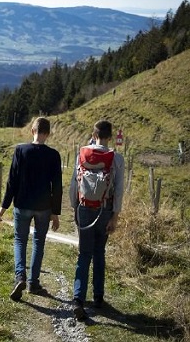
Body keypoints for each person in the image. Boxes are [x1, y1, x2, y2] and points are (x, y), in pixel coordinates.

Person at [0, 117, 62, 301]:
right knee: (39, 242)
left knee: (19, 241)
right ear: (47, 134)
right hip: (43, 207)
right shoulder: (53, 155)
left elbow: (12, 181)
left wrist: (4, 206)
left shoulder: (20, 150)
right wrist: (55, 213)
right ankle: (33, 283)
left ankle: (20, 277)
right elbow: (57, 186)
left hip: (22, 204)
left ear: (32, 131)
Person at [69, 120, 125, 321]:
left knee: (84, 254)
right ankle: (98, 297)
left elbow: (73, 185)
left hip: (85, 208)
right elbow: (118, 190)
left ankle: (78, 299)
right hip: (105, 209)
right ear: (109, 137)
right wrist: (115, 216)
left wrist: (75, 208)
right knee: (99, 252)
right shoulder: (116, 158)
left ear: (94, 135)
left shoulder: (82, 153)